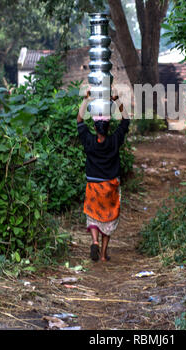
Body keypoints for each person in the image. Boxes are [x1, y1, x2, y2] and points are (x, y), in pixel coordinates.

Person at [77, 88, 130, 262]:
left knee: (93, 215)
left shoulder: (89, 140)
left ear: (94, 127)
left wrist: (86, 99)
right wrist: (116, 100)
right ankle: (103, 255)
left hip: (93, 185)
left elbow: (79, 121)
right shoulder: (115, 140)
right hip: (110, 186)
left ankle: (94, 241)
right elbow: (126, 120)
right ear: (108, 127)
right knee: (108, 219)